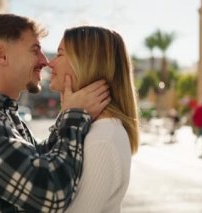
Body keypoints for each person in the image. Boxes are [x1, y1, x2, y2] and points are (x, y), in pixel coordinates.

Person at [0, 14, 110, 212]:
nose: (45, 61)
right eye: (35, 50)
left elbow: (42, 160)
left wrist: (70, 113)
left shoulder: (1, 113)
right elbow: (51, 194)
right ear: (1, 55)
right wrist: (74, 115)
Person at [48, 26, 139, 212]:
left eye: (59, 54)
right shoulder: (93, 129)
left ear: (85, 62)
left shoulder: (102, 139)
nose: (50, 63)